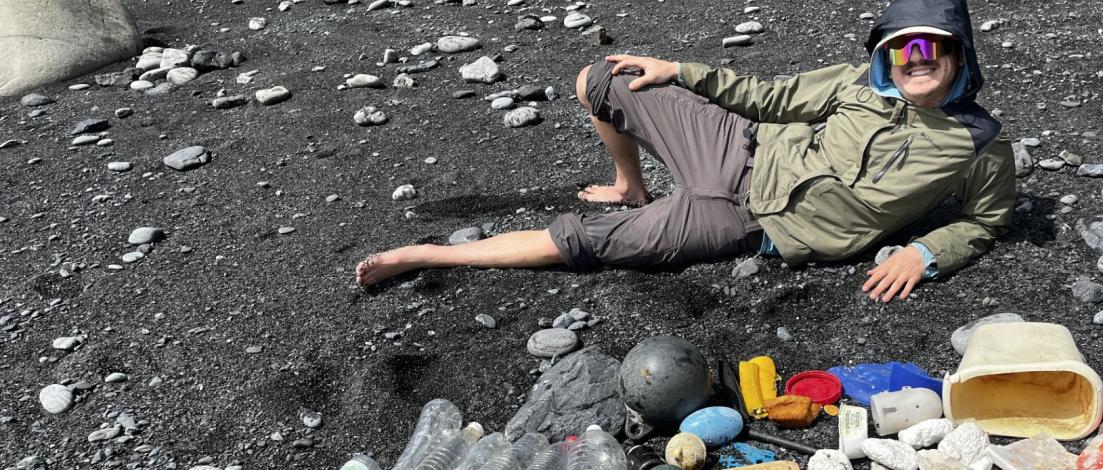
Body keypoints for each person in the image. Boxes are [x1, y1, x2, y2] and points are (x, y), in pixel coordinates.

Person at [356, 0, 1014, 303]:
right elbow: (770, 97)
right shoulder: (851, 86)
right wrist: (682, 70)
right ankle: (628, 183)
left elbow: (985, 222)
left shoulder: (979, 142)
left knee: (593, 245)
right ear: (887, 55)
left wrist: (926, 250)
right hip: (741, 149)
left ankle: (428, 254)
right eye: (906, 47)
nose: (918, 59)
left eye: (934, 47)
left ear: (958, 55)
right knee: (604, 76)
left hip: (755, 226)